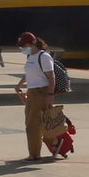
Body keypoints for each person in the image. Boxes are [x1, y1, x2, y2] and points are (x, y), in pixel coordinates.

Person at [13, 31, 57, 162]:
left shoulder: (43, 56)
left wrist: (50, 94)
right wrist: (19, 85)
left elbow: (51, 76)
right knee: (33, 122)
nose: (22, 48)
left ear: (31, 44)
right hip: (31, 92)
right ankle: (54, 142)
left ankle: (35, 154)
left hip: (41, 92)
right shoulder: (30, 57)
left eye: (23, 45)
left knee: (33, 125)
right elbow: (28, 74)